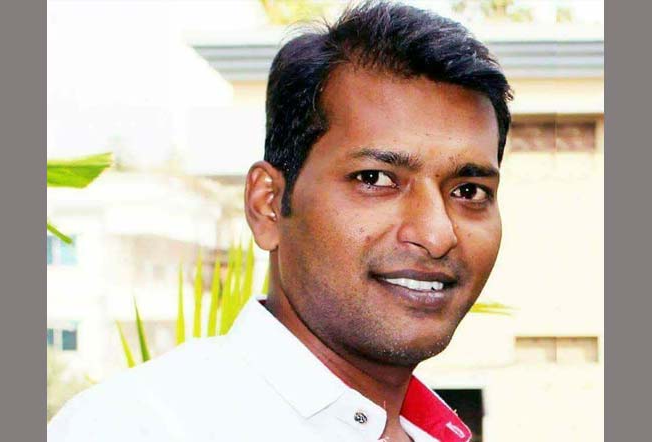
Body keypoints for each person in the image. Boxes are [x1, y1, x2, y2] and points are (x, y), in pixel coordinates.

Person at [47, 1, 512, 441]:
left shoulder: (430, 429)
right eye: (375, 179)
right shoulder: (139, 427)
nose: (436, 233)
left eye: (469, 191)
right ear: (267, 204)